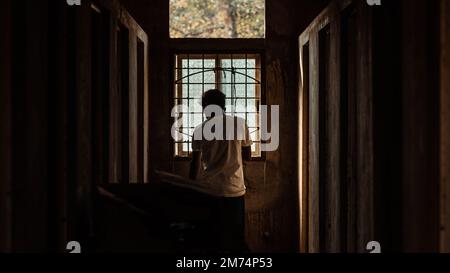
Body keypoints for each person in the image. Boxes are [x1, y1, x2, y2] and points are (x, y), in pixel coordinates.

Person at [189, 89, 252, 252]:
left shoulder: (199, 130)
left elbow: (194, 166)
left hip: (209, 191)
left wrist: (190, 189)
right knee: (235, 239)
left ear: (206, 107)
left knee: (211, 240)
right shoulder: (239, 123)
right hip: (235, 190)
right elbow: (247, 155)